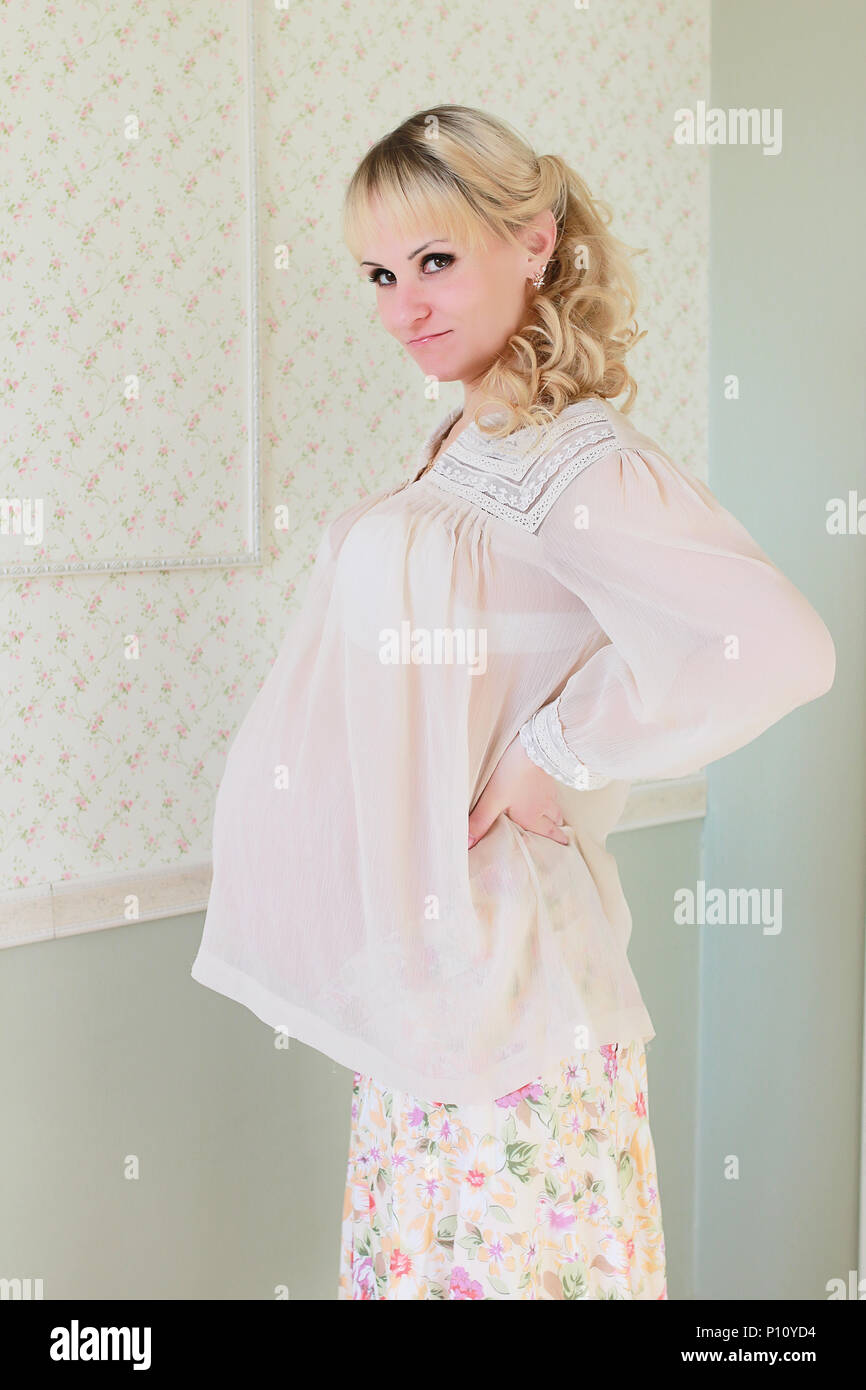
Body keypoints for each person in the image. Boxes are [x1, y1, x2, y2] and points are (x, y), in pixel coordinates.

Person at [190, 105, 836, 1300]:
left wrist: (554, 748)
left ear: (533, 241)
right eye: (378, 274)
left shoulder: (574, 464)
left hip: (511, 1008)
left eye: (433, 259)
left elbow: (780, 647)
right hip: (428, 997)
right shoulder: (465, 442)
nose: (402, 306)